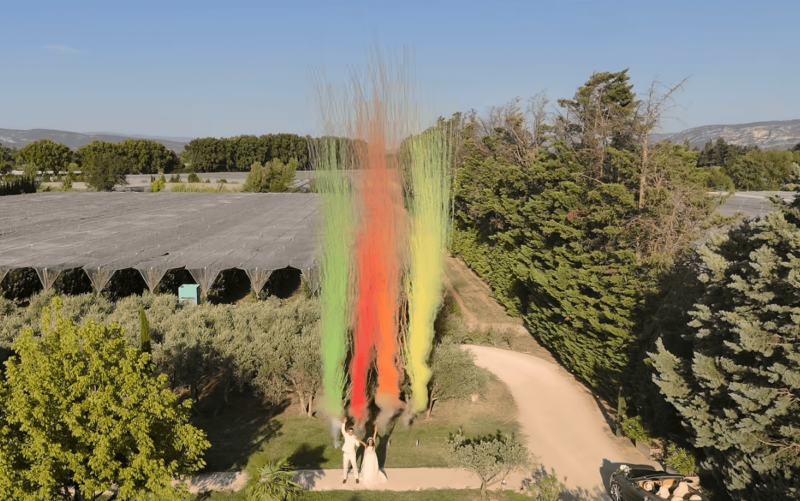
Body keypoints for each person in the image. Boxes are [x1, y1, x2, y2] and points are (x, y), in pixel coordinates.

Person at [341, 417, 361, 484]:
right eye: (349, 431)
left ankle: (356, 478)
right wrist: (344, 423)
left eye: (351, 431)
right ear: (348, 431)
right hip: (346, 454)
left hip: (352, 454)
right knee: (345, 466)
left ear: (353, 432)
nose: (350, 432)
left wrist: (357, 439)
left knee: (354, 466)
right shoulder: (346, 435)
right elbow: (343, 430)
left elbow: (358, 445)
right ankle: (344, 478)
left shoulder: (354, 437)